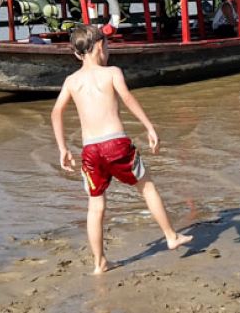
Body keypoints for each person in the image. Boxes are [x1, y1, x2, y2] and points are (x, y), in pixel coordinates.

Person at [50, 24, 191, 274]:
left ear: (76, 54)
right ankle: (170, 236)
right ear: (101, 47)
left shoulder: (71, 81)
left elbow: (56, 112)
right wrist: (149, 127)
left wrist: (62, 148)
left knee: (96, 206)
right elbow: (127, 99)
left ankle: (99, 263)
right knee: (147, 187)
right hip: (116, 144)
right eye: (107, 46)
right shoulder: (112, 72)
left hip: (90, 151)